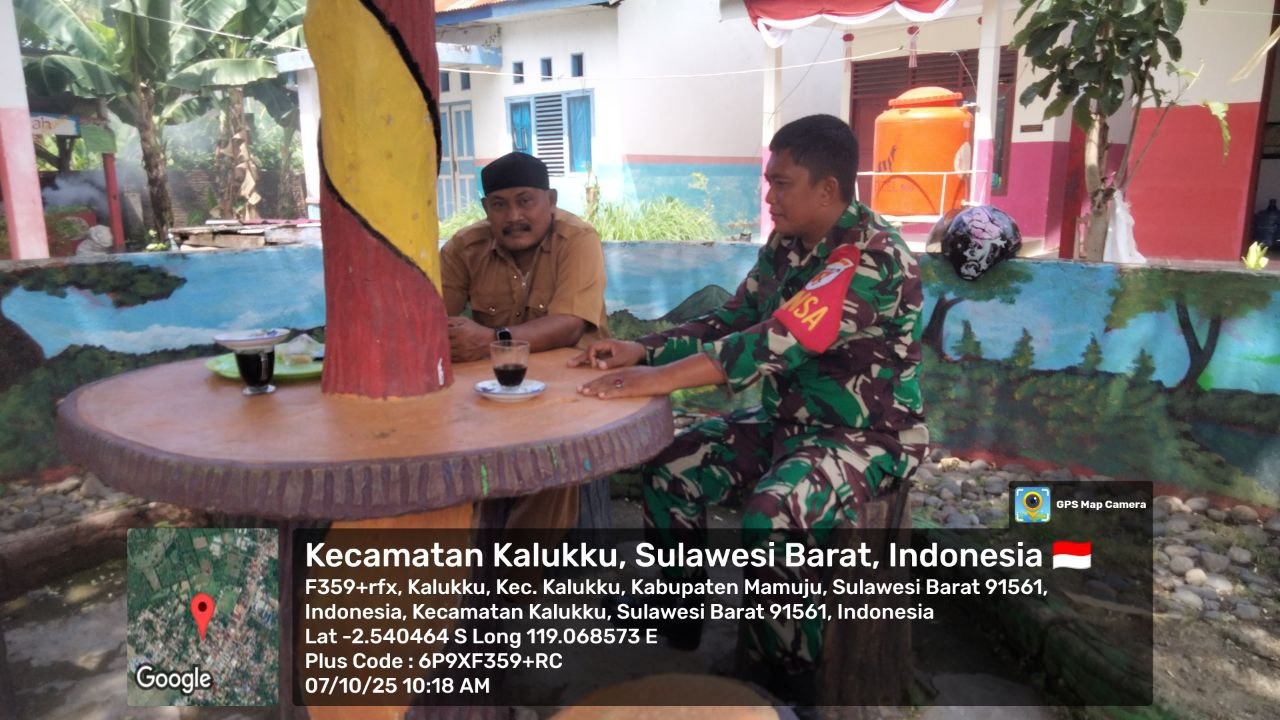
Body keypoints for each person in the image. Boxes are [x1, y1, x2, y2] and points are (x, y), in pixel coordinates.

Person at [569, 114, 928, 703]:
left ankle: (788, 679)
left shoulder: (870, 257)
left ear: (827, 190)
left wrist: (656, 379)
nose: (769, 196)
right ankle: (679, 616)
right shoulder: (789, 245)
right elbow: (736, 318)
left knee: (772, 517)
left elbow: (773, 342)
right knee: (672, 464)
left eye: (781, 183)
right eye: (769, 182)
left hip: (867, 436)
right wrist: (644, 348)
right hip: (788, 423)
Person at [442, 151, 609, 530]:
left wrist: (492, 340)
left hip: (573, 387)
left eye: (525, 201)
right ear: (486, 209)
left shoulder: (578, 239)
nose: (513, 216)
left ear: (550, 200)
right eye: (499, 205)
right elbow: (433, 318)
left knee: (557, 461)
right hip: (495, 391)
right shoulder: (464, 248)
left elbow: (569, 325)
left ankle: (522, 566)